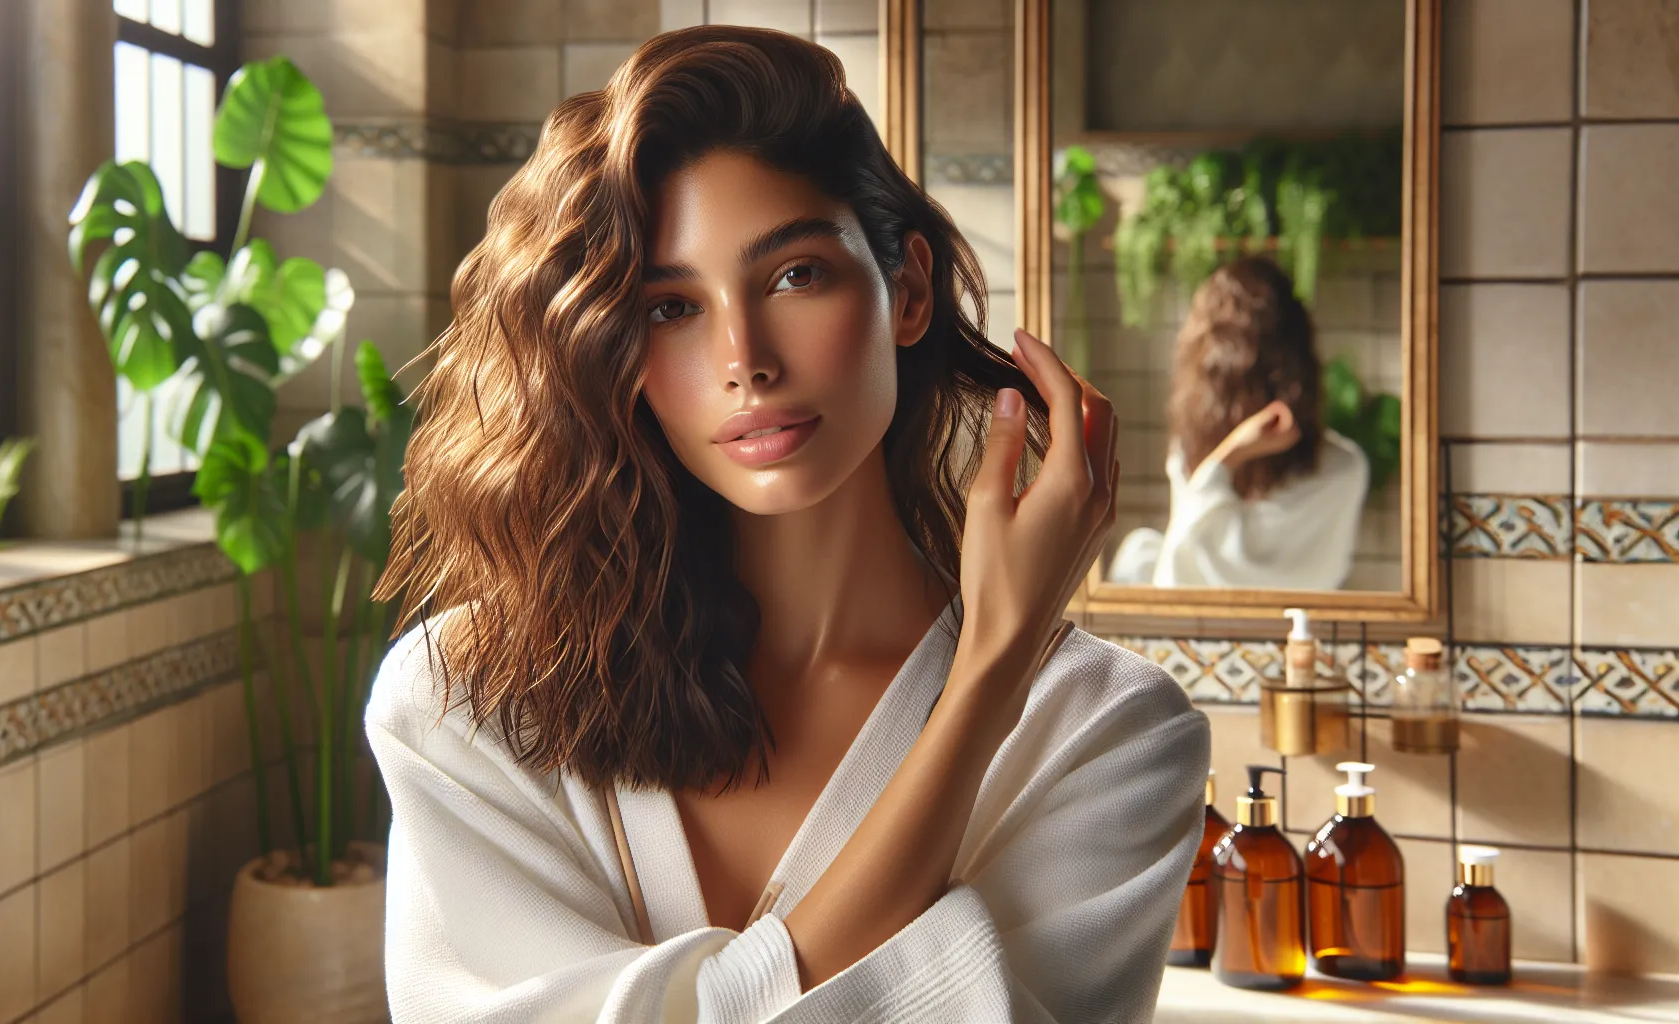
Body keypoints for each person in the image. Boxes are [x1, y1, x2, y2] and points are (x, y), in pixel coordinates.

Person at [364, 24, 1209, 1023]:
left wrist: (996, 667)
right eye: (671, 307)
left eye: (794, 275)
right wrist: (986, 674)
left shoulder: (1109, 736)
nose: (744, 357)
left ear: (907, 290)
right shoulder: (470, 699)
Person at [1105, 257, 1369, 590]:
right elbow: (1179, 577)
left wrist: (1223, 460)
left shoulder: (1341, 471)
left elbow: (1181, 581)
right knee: (1138, 555)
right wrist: (1230, 454)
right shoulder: (1347, 468)